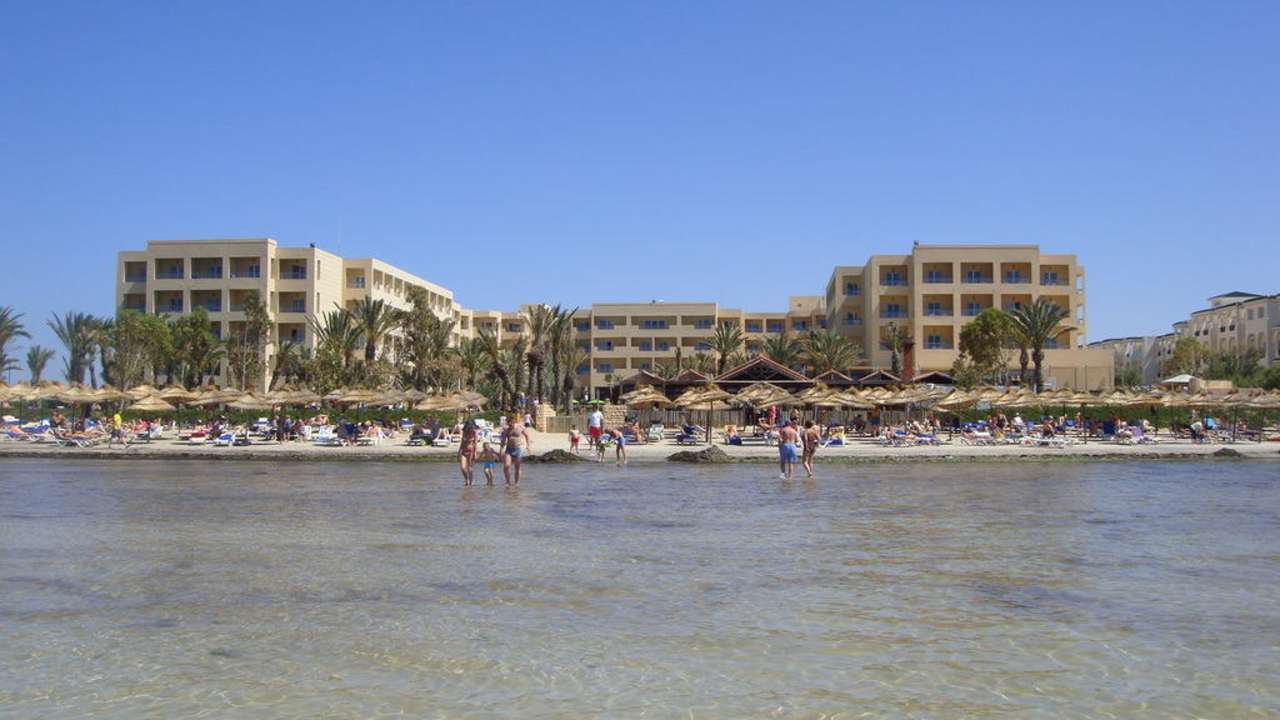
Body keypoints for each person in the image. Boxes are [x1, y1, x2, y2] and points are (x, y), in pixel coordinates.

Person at [501, 418, 532, 486]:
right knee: (506, 466)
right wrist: (501, 449)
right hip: (509, 449)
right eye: (508, 424)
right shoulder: (506, 429)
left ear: (513, 422)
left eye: (510, 424)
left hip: (518, 449)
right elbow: (503, 440)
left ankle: (517, 483)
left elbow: (527, 435)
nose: (509, 425)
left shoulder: (520, 427)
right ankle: (508, 482)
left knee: (517, 467)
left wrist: (528, 445)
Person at [458, 420, 478, 486]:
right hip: (464, 451)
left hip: (471, 451)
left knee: (470, 468)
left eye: (472, 427)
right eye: (470, 427)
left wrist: (475, 453)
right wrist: (459, 452)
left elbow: (475, 444)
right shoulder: (464, 433)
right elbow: (462, 443)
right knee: (463, 468)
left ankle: (471, 481)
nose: (471, 429)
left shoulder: (474, 433)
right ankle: (466, 479)